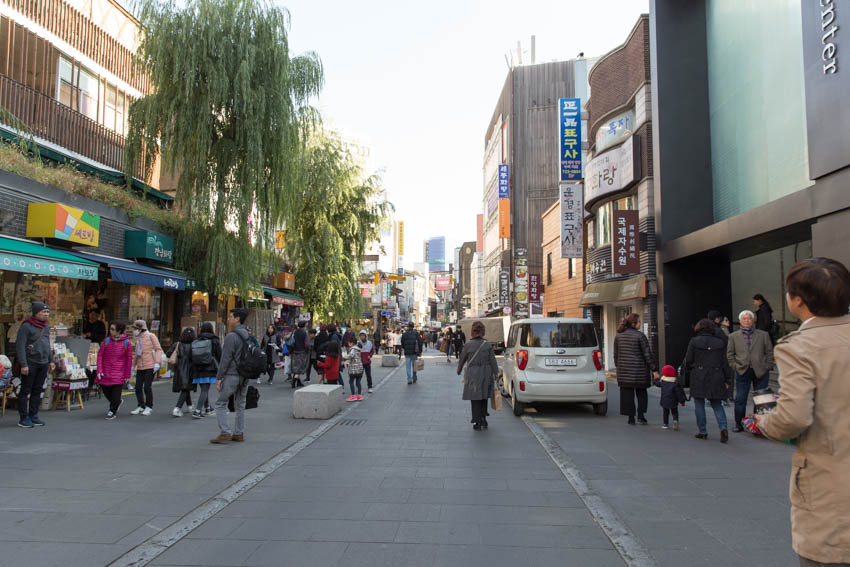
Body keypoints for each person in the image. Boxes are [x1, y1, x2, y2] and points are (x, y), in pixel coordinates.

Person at [753, 258, 850, 567]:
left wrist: (766, 422)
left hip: (831, 487)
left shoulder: (799, 346)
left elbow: (793, 417)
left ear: (798, 301)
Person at [681, 318, 730, 442]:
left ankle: (702, 431)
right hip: (717, 374)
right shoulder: (720, 343)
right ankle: (723, 428)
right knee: (717, 403)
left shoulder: (694, 341)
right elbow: (725, 362)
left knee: (699, 403)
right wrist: (727, 379)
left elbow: (689, 359)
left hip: (699, 374)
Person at [727, 309, 774, 432]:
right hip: (742, 370)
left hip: (760, 370)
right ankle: (739, 424)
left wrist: (767, 366)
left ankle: (758, 424)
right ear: (740, 321)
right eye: (744, 319)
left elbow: (769, 352)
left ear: (753, 320)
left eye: (749, 318)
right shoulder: (733, 336)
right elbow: (730, 355)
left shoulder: (763, 334)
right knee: (740, 399)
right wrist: (735, 366)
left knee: (760, 399)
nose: (747, 320)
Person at [210, 308, 250, 444]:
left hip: (232, 373)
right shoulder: (248, 335)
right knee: (240, 404)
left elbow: (225, 358)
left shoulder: (231, 336)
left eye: (231, 316)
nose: (229, 319)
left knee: (220, 403)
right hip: (245, 374)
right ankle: (239, 433)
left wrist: (219, 377)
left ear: (237, 319)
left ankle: (225, 432)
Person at [15, 301, 55, 428]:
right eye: (43, 312)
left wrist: (51, 360)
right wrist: (23, 364)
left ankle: (34, 415)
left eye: (48, 312)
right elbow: (20, 346)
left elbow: (47, 344)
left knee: (37, 390)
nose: (46, 314)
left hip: (43, 362)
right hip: (30, 362)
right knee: (25, 390)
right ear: (36, 313)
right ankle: (23, 417)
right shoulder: (26, 326)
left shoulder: (46, 327)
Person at [614, 313, 659, 425]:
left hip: (624, 371)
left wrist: (619, 366)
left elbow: (616, 354)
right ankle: (641, 415)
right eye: (639, 322)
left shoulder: (618, 336)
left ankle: (630, 417)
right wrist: (654, 370)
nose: (640, 324)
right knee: (641, 393)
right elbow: (647, 354)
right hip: (640, 371)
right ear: (633, 323)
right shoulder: (640, 336)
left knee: (627, 395)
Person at [456, 321, 499, 430]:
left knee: (475, 398)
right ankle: (484, 418)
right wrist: (496, 373)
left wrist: (459, 369)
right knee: (484, 396)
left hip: (473, 374)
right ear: (483, 332)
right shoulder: (487, 344)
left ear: (472, 332)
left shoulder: (468, 344)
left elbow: (462, 358)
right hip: (486, 373)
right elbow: (493, 361)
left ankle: (477, 421)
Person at [96, 321, 133, 420]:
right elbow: (100, 355)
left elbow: (129, 359)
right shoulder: (107, 341)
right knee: (106, 390)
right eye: (110, 329)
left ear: (119, 331)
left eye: (112, 329)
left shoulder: (126, 343)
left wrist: (127, 375)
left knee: (116, 394)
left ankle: (112, 411)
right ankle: (116, 403)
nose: (110, 331)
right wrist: (99, 370)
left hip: (119, 372)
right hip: (105, 371)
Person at [130, 320, 163, 416]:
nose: (134, 331)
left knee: (147, 387)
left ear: (141, 328)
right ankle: (141, 405)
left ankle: (149, 406)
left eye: (136, 329)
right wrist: (133, 366)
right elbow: (137, 354)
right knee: (138, 387)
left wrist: (157, 362)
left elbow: (158, 349)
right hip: (140, 366)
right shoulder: (137, 339)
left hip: (150, 365)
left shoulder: (151, 336)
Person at [191, 322, 220, 419]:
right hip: (210, 367)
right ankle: (197, 410)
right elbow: (219, 354)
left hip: (198, 368)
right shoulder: (214, 340)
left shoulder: (197, 340)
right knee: (205, 389)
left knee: (204, 388)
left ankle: (207, 408)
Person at [171, 327, 196, 417]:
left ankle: (190, 406)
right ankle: (177, 408)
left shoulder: (177, 344)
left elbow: (168, 354)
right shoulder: (194, 345)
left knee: (185, 388)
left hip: (178, 370)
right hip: (190, 370)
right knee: (186, 388)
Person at [654, 364, 680, 430]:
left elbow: (657, 384)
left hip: (665, 400)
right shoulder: (675, 382)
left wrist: (656, 379)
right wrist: (681, 400)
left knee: (665, 412)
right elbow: (678, 392)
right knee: (674, 412)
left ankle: (665, 424)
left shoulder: (662, 381)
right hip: (673, 400)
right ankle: (675, 421)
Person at [289, 321, 310, 388]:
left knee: (296, 366)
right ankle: (294, 380)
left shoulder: (295, 332)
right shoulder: (305, 333)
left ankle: (298, 382)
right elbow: (307, 344)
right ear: (304, 325)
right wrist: (307, 350)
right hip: (302, 351)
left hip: (295, 351)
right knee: (300, 367)